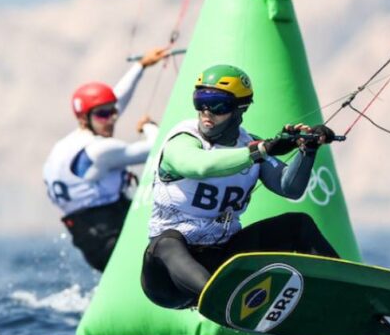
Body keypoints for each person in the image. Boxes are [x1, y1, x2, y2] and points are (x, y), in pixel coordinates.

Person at [141, 64, 340, 309]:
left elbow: (290, 188)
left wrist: (308, 149)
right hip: (168, 278)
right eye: (200, 100)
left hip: (224, 260)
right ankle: (223, 299)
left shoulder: (250, 144)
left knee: (297, 224)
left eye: (217, 104)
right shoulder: (183, 139)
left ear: (240, 109)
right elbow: (201, 167)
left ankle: (345, 292)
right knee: (166, 241)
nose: (206, 112)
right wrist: (262, 150)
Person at [43, 47, 169, 271]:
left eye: (113, 113)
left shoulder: (69, 143)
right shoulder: (100, 151)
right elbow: (157, 149)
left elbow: (113, 101)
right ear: (84, 119)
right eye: (103, 115)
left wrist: (140, 66)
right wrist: (150, 127)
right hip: (106, 237)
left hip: (93, 235)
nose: (111, 119)